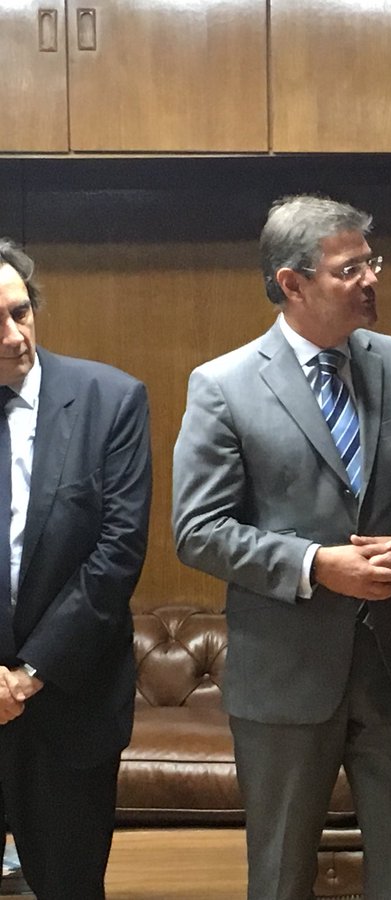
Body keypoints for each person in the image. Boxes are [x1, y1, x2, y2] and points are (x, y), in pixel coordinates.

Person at [172, 195, 391, 899]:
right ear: (291, 282)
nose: (370, 279)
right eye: (349, 268)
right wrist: (314, 565)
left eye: (372, 262)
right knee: (279, 876)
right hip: (284, 673)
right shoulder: (224, 386)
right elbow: (198, 529)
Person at [0, 239, 152, 898]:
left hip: (70, 705)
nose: (13, 336)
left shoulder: (108, 399)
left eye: (20, 311)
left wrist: (27, 676)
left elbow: (116, 552)